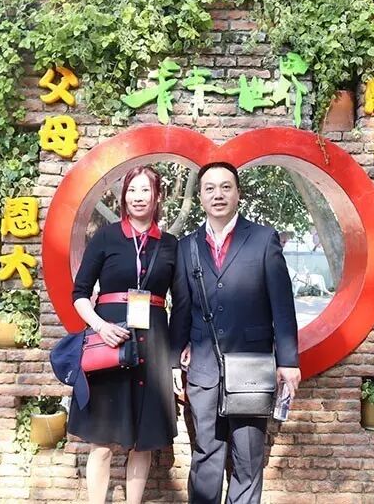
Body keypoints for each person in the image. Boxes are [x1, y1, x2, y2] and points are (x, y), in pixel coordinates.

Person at [169, 162, 301, 504]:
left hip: (251, 368)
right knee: (206, 455)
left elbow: (282, 304)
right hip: (203, 369)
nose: (218, 194)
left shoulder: (263, 239)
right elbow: (182, 308)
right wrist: (173, 360)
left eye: (226, 187)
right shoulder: (186, 246)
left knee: (248, 459)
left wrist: (288, 362)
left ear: (238, 193)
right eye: (210, 188)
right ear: (200, 196)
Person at [70, 166, 178, 504]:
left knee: (143, 441)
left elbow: (183, 303)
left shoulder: (171, 244)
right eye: (132, 190)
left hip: (153, 348)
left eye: (145, 190)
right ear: (124, 196)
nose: (138, 197)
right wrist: (100, 326)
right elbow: (80, 293)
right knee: (101, 442)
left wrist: (176, 360)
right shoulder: (106, 237)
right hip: (110, 346)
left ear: (157, 196)